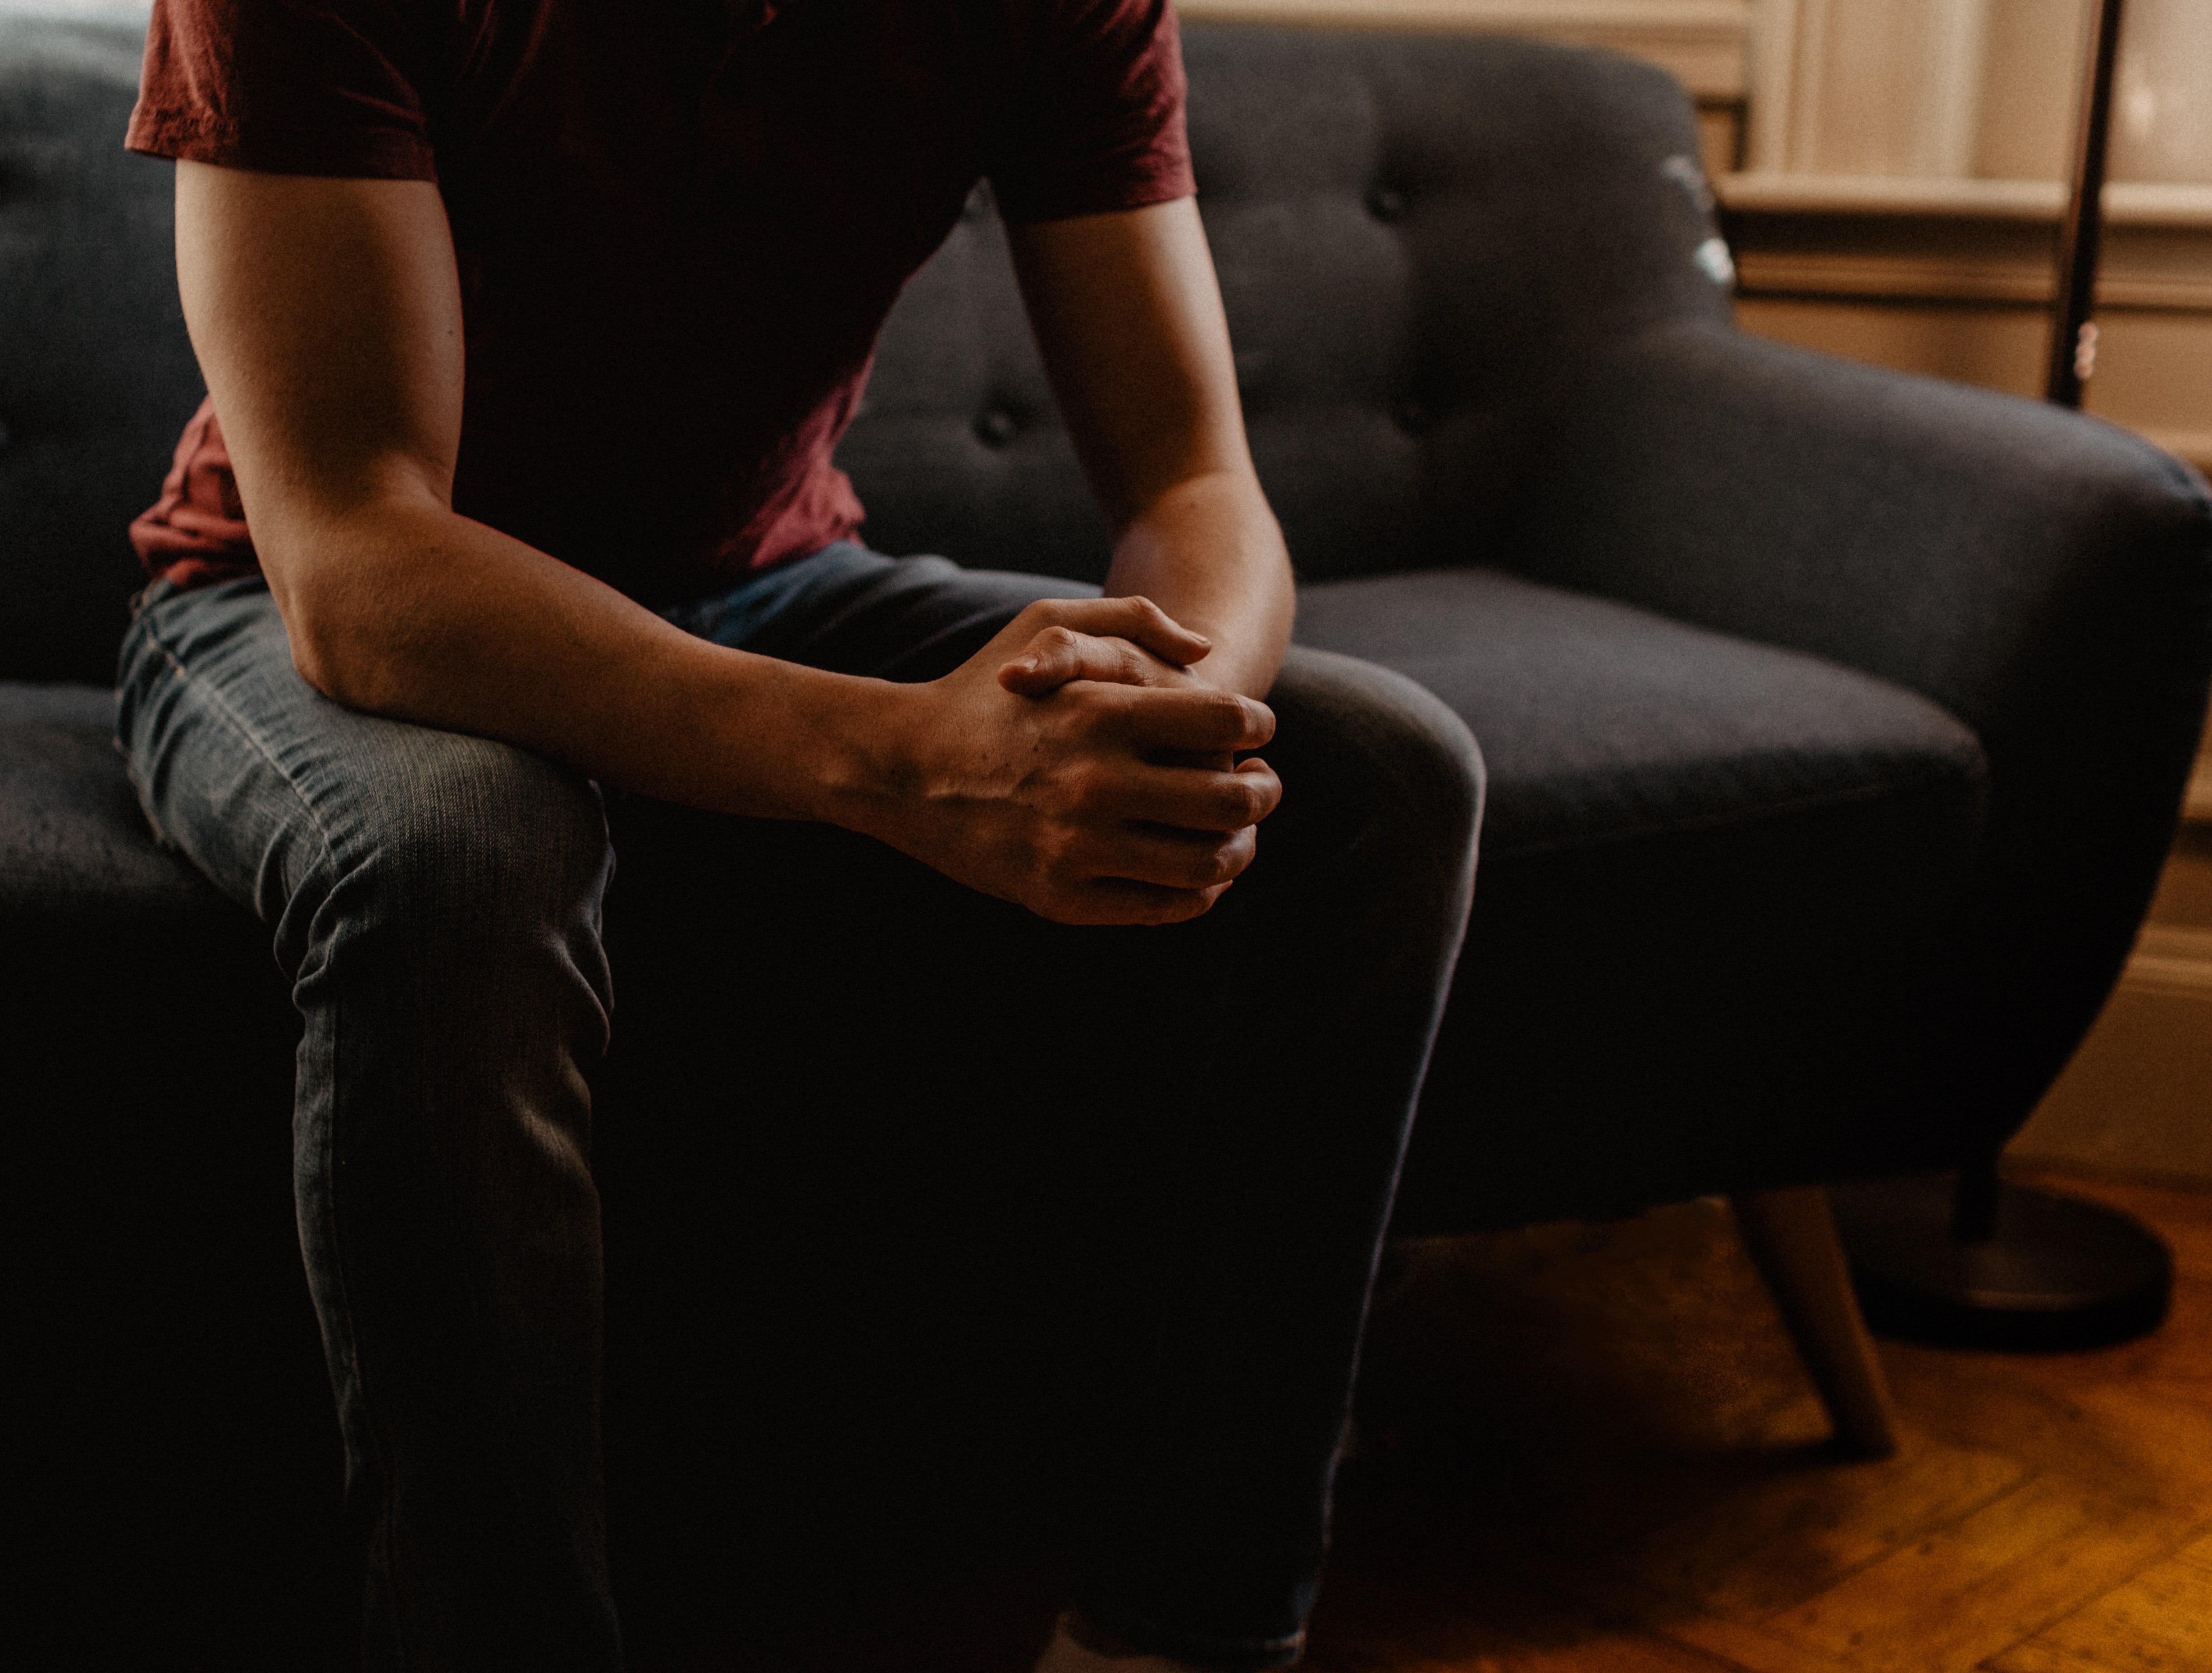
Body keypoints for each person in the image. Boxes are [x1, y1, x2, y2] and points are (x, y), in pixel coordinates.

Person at [116, 1, 1482, 1667]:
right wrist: (914, 764)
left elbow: (1199, 480)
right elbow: (357, 563)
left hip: (771, 583)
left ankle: (1183, 1633)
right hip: (293, 595)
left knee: (1381, 778)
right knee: (462, 864)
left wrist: (1162, 723)